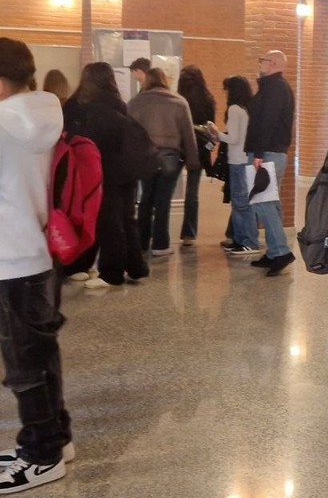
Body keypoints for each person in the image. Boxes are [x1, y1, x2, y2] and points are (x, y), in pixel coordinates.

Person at [0, 38, 72, 493]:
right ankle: (56, 438)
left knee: (24, 363)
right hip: (36, 251)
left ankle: (42, 454)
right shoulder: (42, 112)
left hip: (9, 256)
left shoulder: (4, 122)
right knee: (40, 354)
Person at [62, 63, 151, 288]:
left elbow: (75, 138)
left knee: (104, 219)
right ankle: (135, 267)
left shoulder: (80, 106)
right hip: (125, 169)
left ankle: (110, 272)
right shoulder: (118, 104)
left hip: (99, 170)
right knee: (125, 218)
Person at [128, 68, 200, 257]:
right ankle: (160, 244)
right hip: (170, 158)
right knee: (163, 200)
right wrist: (193, 160)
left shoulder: (135, 102)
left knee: (145, 199)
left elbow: (128, 133)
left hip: (145, 157)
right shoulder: (179, 102)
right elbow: (188, 134)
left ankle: (142, 242)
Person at [245, 50, 296, 277]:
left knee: (262, 203)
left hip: (266, 153)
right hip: (269, 152)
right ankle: (275, 252)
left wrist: (258, 153)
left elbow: (268, 121)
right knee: (269, 203)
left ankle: (281, 252)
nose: (260, 64)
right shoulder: (273, 86)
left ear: (273, 63)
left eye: (262, 60)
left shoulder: (275, 87)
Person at [208, 76, 258, 255]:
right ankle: (239, 239)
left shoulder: (235, 109)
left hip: (238, 160)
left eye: (227, 89)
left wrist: (216, 133)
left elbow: (234, 138)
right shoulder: (247, 108)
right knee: (242, 202)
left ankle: (248, 241)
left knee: (241, 203)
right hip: (245, 159)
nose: (225, 93)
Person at [176, 65, 216, 245]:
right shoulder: (207, 99)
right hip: (199, 148)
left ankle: (159, 234)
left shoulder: (178, 99)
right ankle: (189, 234)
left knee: (166, 188)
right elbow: (210, 126)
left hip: (178, 146)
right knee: (192, 192)